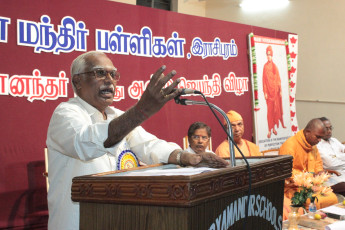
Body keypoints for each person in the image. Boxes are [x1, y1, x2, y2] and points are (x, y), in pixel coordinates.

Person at [46, 51, 229, 230]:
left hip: (116, 219)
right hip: (78, 221)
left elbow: (148, 144)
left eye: (113, 74)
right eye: (100, 73)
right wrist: (142, 110)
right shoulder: (65, 114)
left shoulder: (115, 115)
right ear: (77, 81)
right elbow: (86, 143)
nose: (109, 80)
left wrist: (187, 157)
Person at [279, 118, 338, 220]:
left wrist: (320, 173)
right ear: (307, 132)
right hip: (293, 187)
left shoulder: (313, 145)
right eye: (318, 137)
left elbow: (318, 163)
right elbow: (286, 173)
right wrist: (309, 177)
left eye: (321, 138)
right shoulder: (290, 145)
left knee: (332, 197)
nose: (319, 141)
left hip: (311, 185)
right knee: (312, 201)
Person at [317, 117, 345, 196]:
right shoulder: (317, 144)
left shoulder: (334, 140)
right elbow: (331, 163)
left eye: (330, 128)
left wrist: (337, 156)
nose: (329, 131)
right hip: (332, 177)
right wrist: (341, 156)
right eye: (326, 129)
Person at [262, 45, 286, 138]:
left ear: (272, 55)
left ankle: (274, 128)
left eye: (270, 55)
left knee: (275, 111)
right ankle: (269, 130)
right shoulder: (265, 67)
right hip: (269, 94)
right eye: (267, 55)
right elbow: (264, 80)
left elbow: (278, 79)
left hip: (275, 93)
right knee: (269, 113)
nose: (269, 56)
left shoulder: (274, 66)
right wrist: (265, 92)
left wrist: (279, 90)